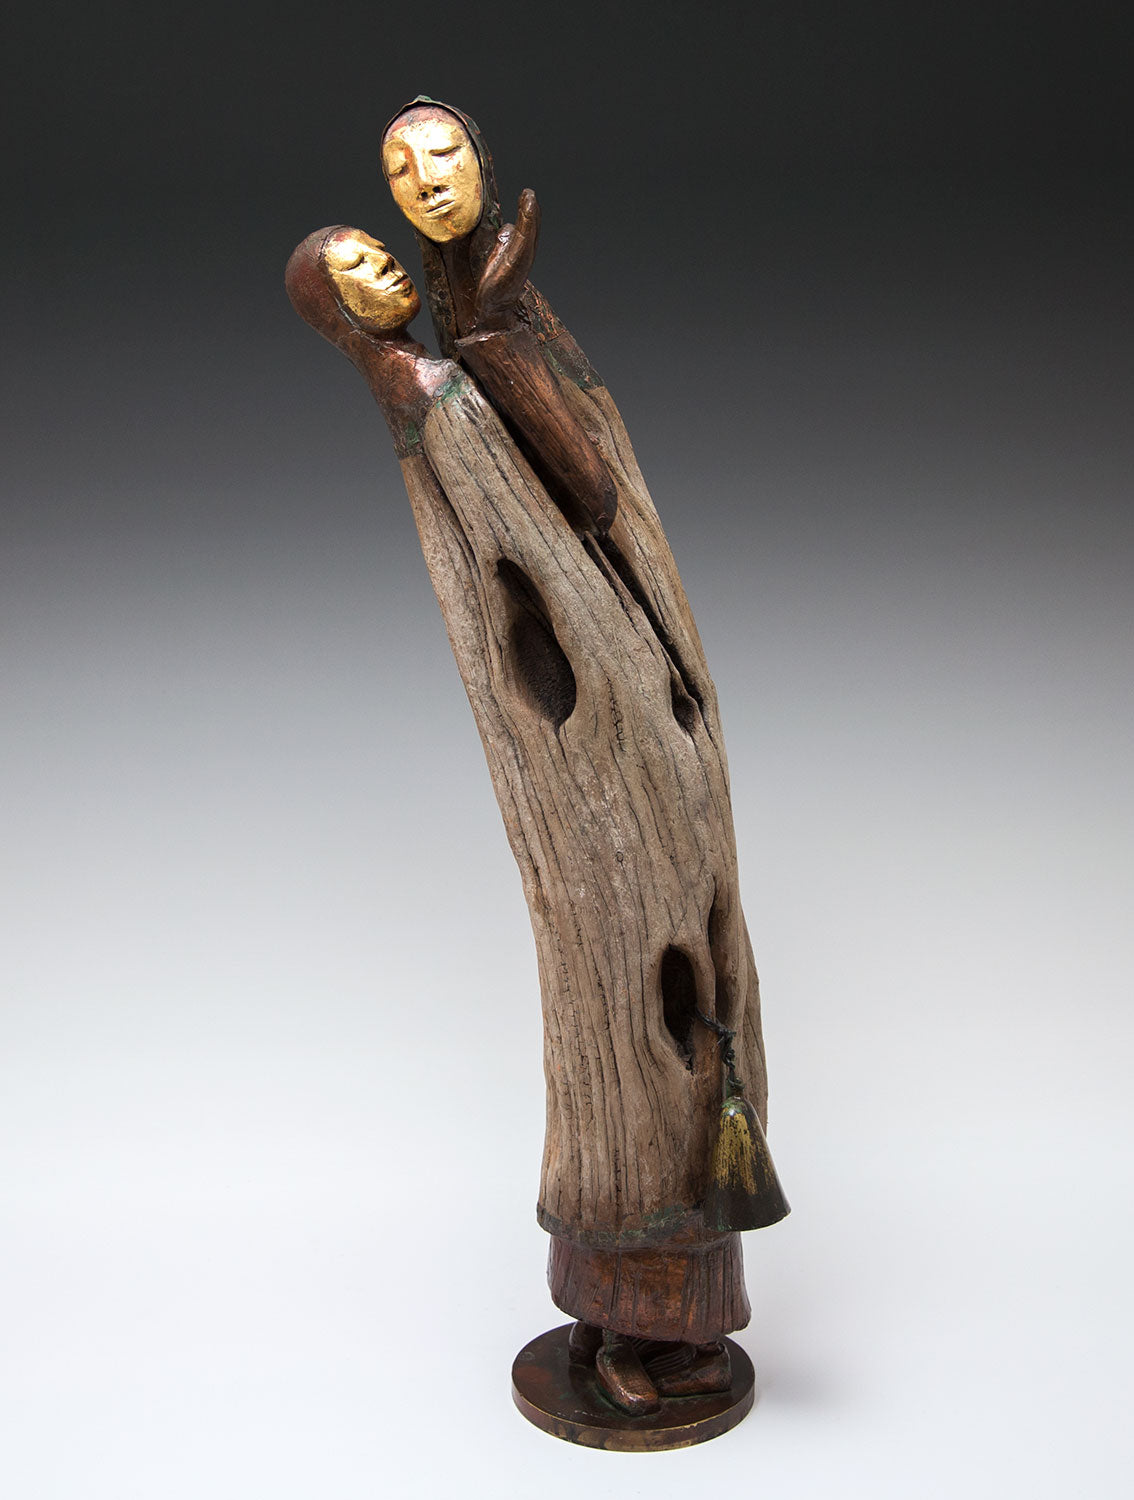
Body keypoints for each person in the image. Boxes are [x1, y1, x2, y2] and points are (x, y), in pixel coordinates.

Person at [287, 220, 786, 1415]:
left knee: (673, 1022)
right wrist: (493, 346)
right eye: (355, 272)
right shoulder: (432, 397)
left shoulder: (452, 368)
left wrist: (500, 324)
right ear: (338, 316)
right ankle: (620, 1326)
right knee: (625, 1028)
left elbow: (596, 491)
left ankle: (661, 1325)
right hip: (589, 754)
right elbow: (570, 504)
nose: (383, 267)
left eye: (380, 252)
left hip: (636, 733)